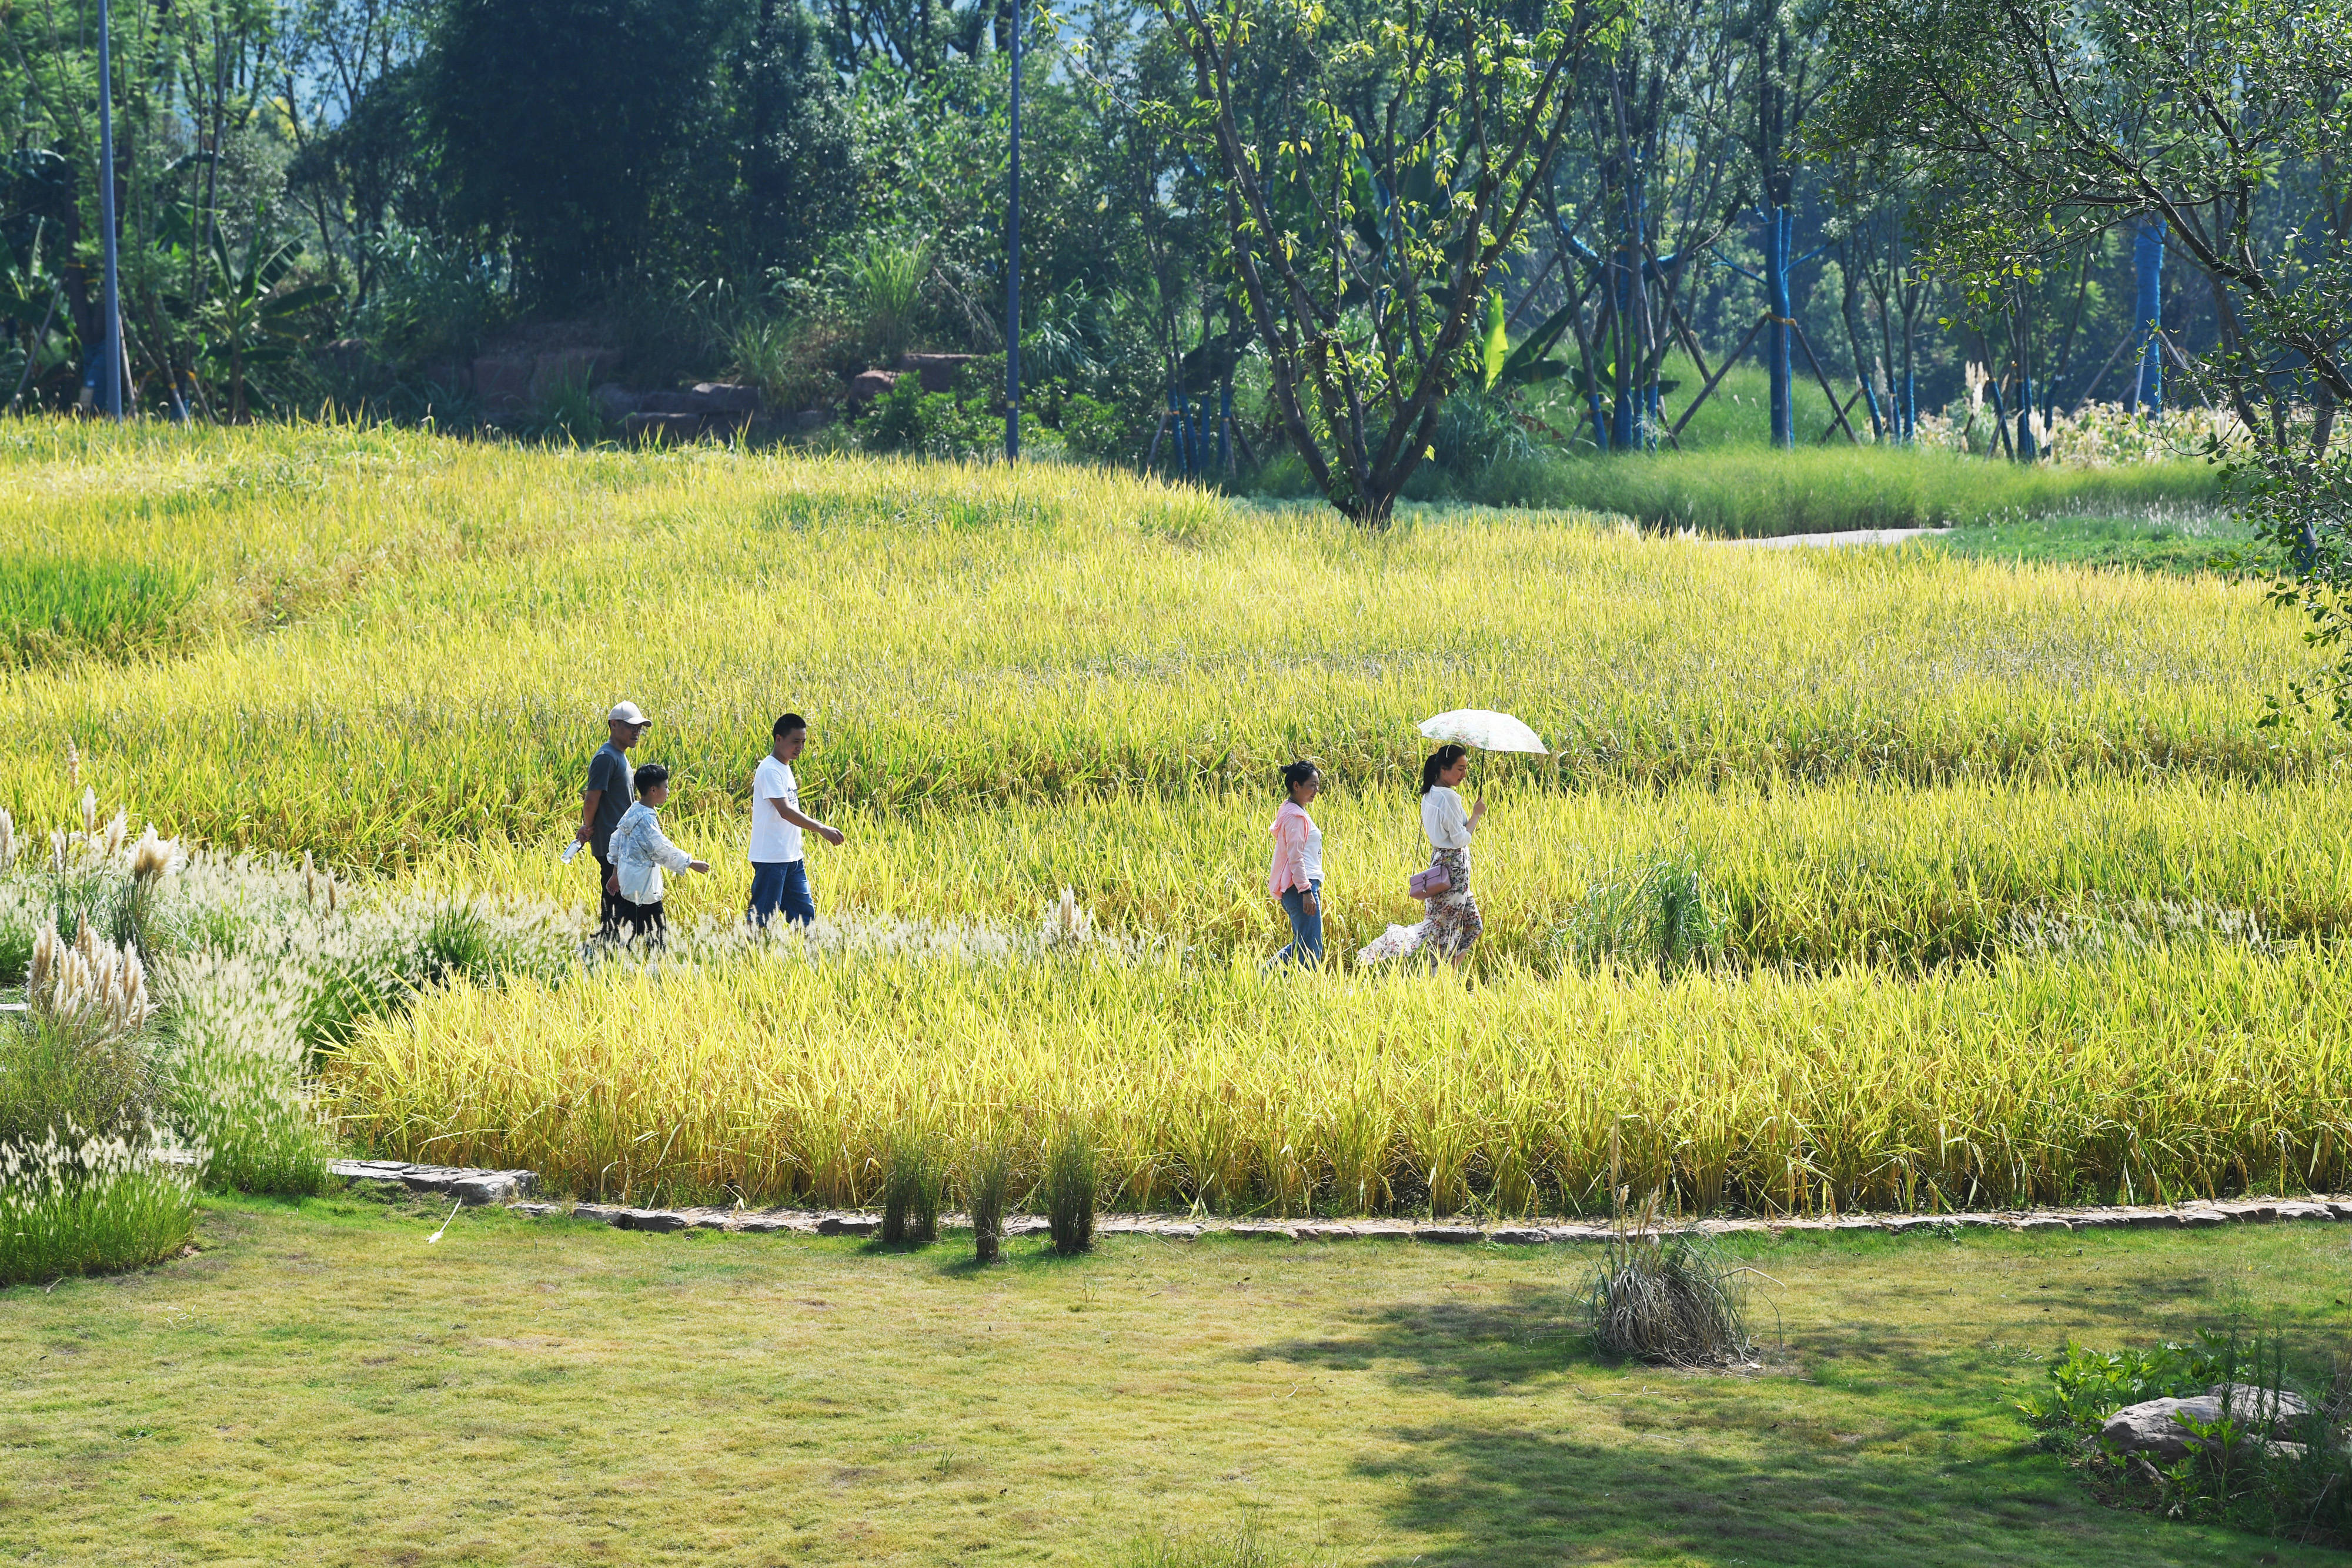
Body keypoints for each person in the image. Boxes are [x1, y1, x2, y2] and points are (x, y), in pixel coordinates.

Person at [748, 713, 845, 929]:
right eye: (795, 742)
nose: (800, 747)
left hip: (792, 857)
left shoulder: (784, 767)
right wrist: (821, 828)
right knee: (762, 917)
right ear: (779, 739)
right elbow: (785, 811)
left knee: (804, 916)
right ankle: (750, 957)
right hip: (772, 859)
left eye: (803, 742)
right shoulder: (770, 769)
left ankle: (810, 959)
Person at [606, 763, 709, 945]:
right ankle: (655, 968)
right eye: (666, 787)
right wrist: (690, 863)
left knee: (628, 929)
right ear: (653, 790)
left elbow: (616, 843)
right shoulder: (646, 819)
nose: (668, 791)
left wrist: (615, 875)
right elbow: (661, 849)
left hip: (628, 881)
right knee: (657, 933)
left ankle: (619, 963)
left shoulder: (634, 810)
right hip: (644, 886)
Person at [577, 701, 650, 938]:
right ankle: (610, 937)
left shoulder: (619, 756)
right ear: (613, 725)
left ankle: (611, 936)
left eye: (639, 728)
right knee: (616, 889)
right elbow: (591, 799)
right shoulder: (606, 758)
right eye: (631, 727)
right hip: (611, 841)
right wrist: (588, 828)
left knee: (617, 890)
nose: (636, 732)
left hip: (621, 841)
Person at [1418, 744, 1486, 967]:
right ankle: (1437, 982)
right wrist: (1476, 815)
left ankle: (1448, 976)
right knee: (1444, 930)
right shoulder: (1449, 798)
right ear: (1444, 769)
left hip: (1441, 862)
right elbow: (1460, 839)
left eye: (1466, 769)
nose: (1464, 775)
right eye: (1460, 769)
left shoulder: (1430, 793)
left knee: (1472, 925)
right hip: (1453, 867)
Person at [1267, 761, 1325, 967]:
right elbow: (1296, 857)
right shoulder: (1295, 816)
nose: (1316, 790)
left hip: (1302, 886)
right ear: (1296, 785)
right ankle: (1301, 987)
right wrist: (1306, 891)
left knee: (1304, 943)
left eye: (1318, 785)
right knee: (1310, 947)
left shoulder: (1292, 809)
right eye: (1312, 785)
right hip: (1301, 887)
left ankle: (1264, 977)